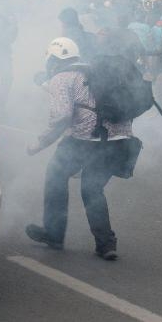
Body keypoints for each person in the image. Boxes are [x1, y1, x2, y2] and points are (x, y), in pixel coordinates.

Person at [25, 37, 136, 261]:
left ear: (53, 61)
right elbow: (83, 96)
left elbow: (62, 115)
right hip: (119, 140)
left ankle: (54, 234)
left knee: (56, 176)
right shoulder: (93, 71)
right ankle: (106, 244)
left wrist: (38, 144)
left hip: (84, 140)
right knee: (92, 189)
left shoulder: (61, 77)